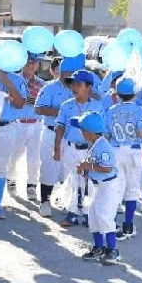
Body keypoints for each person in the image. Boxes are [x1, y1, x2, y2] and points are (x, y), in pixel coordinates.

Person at [54, 69, 106, 228]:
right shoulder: (66, 106)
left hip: (90, 149)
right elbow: (60, 128)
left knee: (90, 181)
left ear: (89, 87)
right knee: (73, 180)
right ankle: (72, 214)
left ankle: (88, 213)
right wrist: (57, 148)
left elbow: (103, 130)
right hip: (71, 148)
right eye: (72, 84)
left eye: (78, 84)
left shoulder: (97, 106)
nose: (74, 87)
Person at [71, 111, 121, 265]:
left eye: (82, 129)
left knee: (104, 216)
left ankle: (112, 249)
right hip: (99, 187)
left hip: (109, 187)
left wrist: (88, 166)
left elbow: (106, 168)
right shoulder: (94, 144)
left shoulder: (103, 146)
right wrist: (86, 170)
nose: (80, 131)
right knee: (93, 216)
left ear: (88, 132)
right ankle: (99, 247)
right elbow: (95, 167)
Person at [0, 66, 30, 220]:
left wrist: (6, 81)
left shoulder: (16, 78)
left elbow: (20, 103)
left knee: (0, 168)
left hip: (7, 126)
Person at [36, 56, 82, 217]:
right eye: (66, 72)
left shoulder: (79, 88)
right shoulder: (49, 88)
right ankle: (45, 201)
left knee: (68, 171)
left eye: (72, 73)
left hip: (72, 136)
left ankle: (66, 200)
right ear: (60, 72)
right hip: (51, 132)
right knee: (49, 168)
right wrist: (61, 113)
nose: (69, 75)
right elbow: (39, 109)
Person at [106, 78, 142, 238]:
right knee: (132, 189)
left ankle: (112, 223)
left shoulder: (111, 110)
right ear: (135, 94)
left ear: (117, 94)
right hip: (134, 151)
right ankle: (128, 225)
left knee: (116, 188)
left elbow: (107, 133)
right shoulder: (139, 110)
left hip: (116, 150)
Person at [6, 53, 45, 202]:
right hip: (18, 123)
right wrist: (24, 100)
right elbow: (10, 98)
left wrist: (36, 102)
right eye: (28, 62)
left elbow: (44, 103)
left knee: (34, 158)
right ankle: (11, 179)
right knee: (14, 156)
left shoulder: (42, 83)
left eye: (34, 63)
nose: (31, 66)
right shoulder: (14, 80)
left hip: (36, 124)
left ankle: (32, 186)